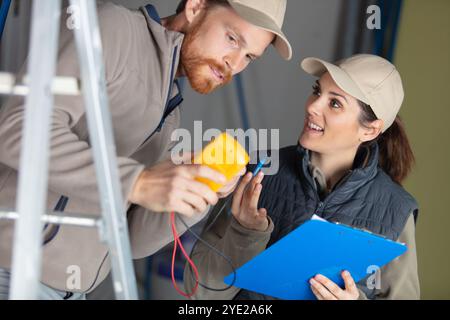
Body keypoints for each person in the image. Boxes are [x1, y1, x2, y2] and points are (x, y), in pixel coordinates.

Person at [0, 0, 292, 299]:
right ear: (195, 7)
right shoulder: (113, 28)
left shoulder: (170, 108)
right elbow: (19, 130)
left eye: (249, 57)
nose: (235, 63)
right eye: (232, 39)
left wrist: (199, 193)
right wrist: (138, 182)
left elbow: (132, 242)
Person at [184, 54, 420, 300]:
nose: (312, 106)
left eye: (335, 103)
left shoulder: (396, 211)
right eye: (317, 91)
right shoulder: (259, 172)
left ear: (370, 130)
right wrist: (244, 234)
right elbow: (199, 293)